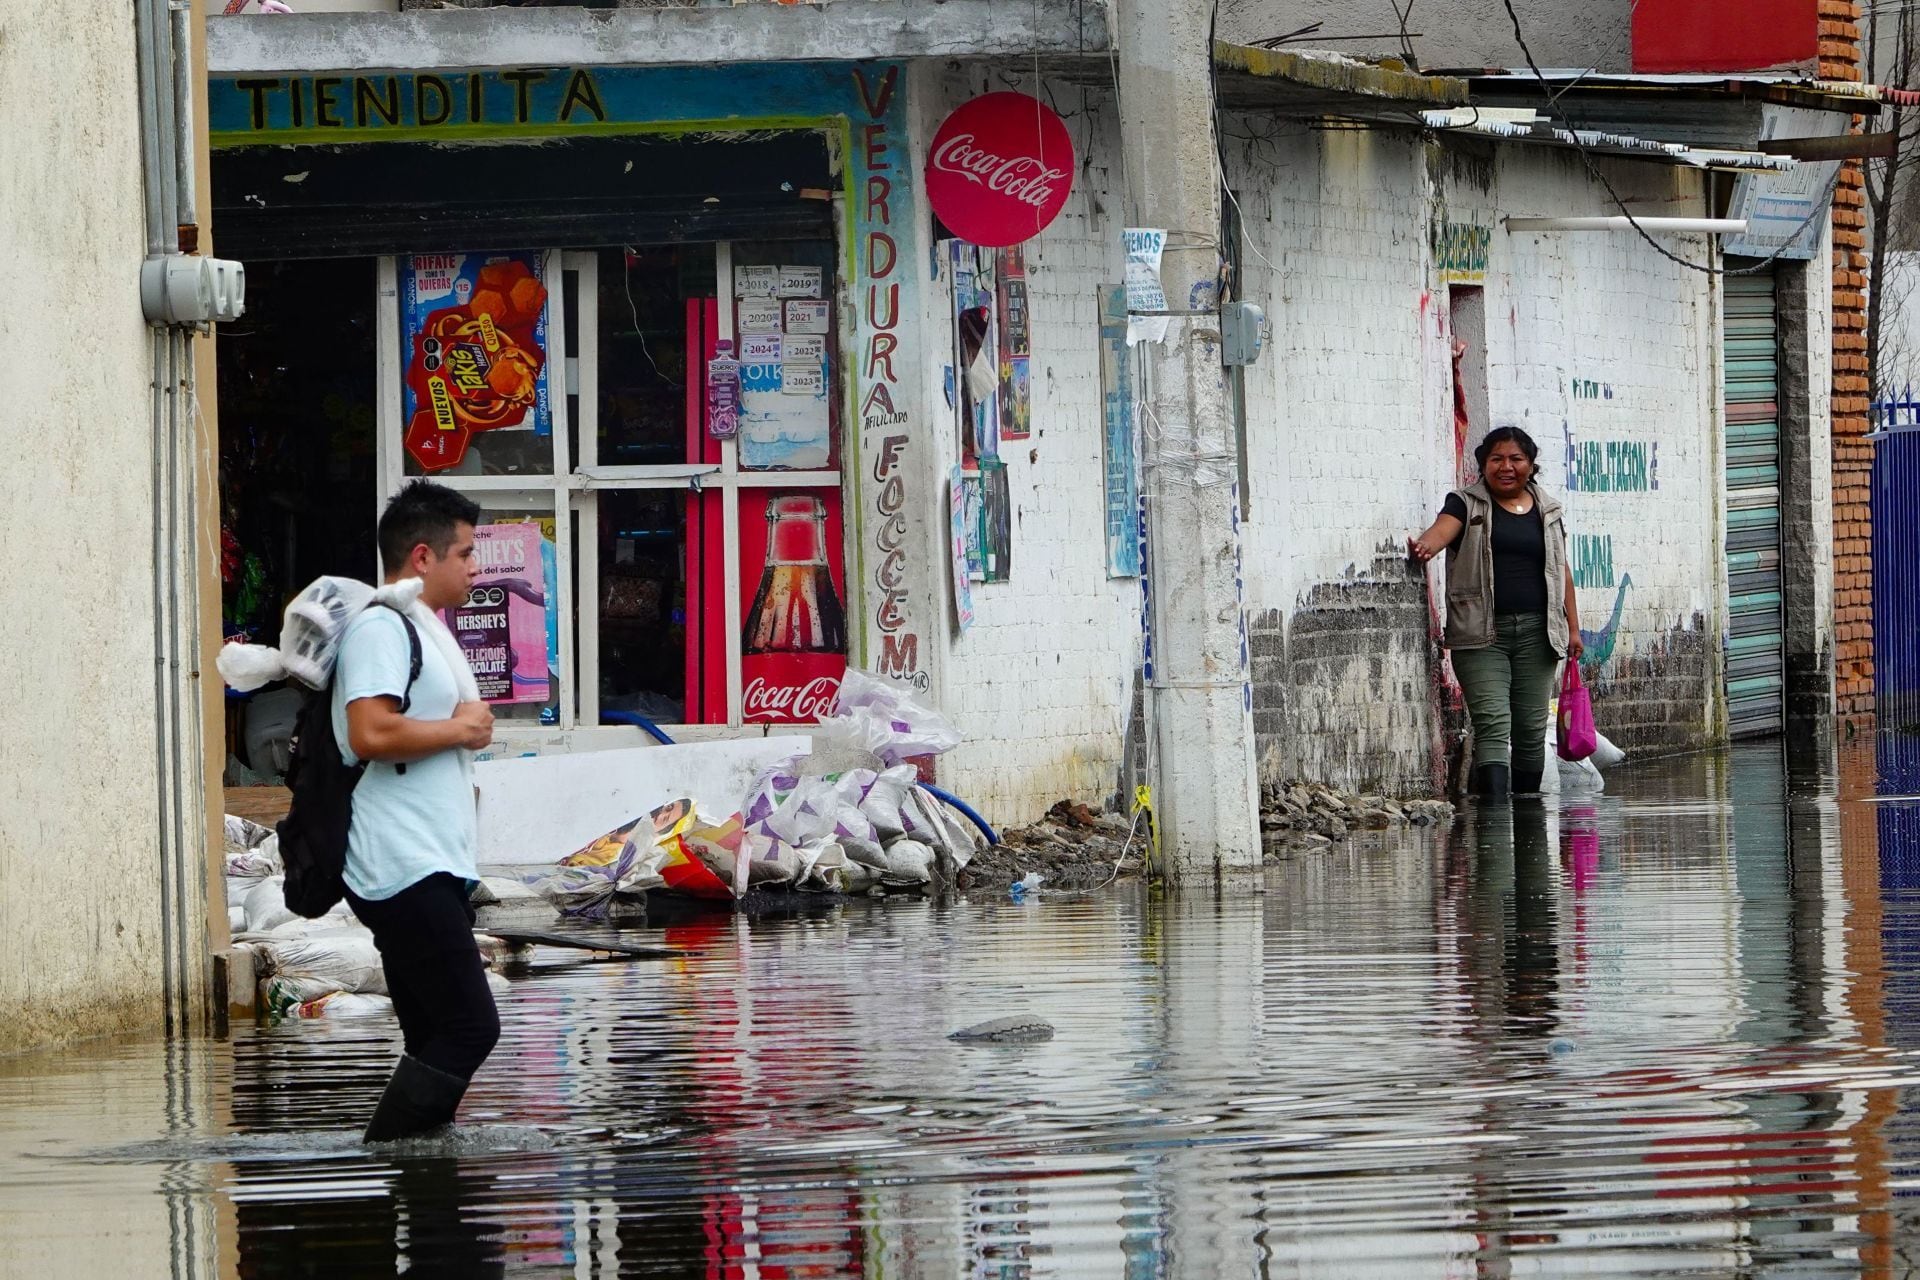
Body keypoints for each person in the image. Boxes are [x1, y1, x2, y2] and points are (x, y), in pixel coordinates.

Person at [336, 479, 499, 1141]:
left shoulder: (424, 627)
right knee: (471, 1026)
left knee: (433, 1032)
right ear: (424, 557)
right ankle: (388, 1160)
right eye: (465, 553)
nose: (476, 566)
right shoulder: (381, 625)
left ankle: (428, 1215)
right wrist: (463, 730)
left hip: (432, 860)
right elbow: (369, 733)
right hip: (400, 863)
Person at [1408, 427, 1582, 800]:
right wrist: (1424, 547)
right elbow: (1440, 533)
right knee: (1492, 725)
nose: (1506, 467)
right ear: (1483, 465)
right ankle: (1495, 827)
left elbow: (1561, 568)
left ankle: (1528, 822)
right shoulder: (1466, 504)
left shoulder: (1548, 509)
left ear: (1531, 465)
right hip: (1481, 634)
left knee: (1531, 731)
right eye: (1496, 459)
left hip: (1539, 635)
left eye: (1516, 459)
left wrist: (1574, 629)